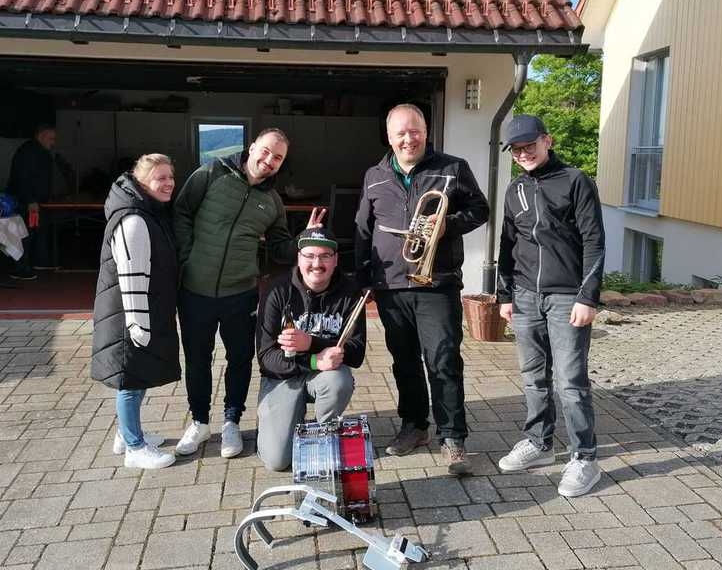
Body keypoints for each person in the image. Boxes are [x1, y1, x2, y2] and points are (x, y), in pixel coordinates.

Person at [172, 128, 324, 459]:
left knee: (239, 358)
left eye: (278, 158)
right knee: (197, 359)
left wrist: (305, 237)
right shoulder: (211, 174)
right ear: (252, 147)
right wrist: (187, 257)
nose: (269, 160)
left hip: (240, 293)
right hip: (195, 289)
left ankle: (231, 421)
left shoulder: (272, 201)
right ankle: (199, 422)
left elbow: (280, 249)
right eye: (266, 151)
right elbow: (181, 212)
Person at [355, 104, 489, 475]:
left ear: (426, 132)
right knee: (405, 361)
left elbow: (480, 209)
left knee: (443, 360)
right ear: (389, 136)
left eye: (414, 131)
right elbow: (363, 229)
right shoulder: (374, 175)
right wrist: (362, 278)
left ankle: (453, 437)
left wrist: (448, 225)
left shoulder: (453, 167)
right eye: (400, 132)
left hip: (437, 282)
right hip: (391, 285)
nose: (408, 139)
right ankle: (414, 427)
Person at [495, 114, 606, 497]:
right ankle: (539, 443)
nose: (523, 154)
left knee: (571, 382)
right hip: (525, 296)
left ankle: (585, 458)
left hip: (566, 298)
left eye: (529, 145)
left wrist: (587, 297)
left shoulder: (576, 182)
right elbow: (507, 244)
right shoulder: (515, 189)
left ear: (547, 140)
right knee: (532, 377)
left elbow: (594, 241)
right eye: (516, 150)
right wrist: (505, 295)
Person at [91, 154, 181, 470]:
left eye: (170, 176)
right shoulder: (134, 220)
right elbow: (132, 274)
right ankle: (134, 447)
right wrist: (138, 323)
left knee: (137, 376)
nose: (168, 183)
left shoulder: (146, 211)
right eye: (160, 178)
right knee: (130, 381)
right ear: (142, 182)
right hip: (128, 317)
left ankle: (126, 433)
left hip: (140, 312)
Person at [255, 226, 366, 471]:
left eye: (325, 256)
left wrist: (312, 343)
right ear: (299, 258)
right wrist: (314, 360)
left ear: (335, 260)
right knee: (277, 461)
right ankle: (277, 424)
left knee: (339, 381)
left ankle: (321, 434)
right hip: (283, 376)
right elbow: (265, 357)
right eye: (310, 256)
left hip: (323, 376)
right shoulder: (277, 289)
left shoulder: (350, 292)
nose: (317, 264)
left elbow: (357, 352)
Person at [6, 124, 56, 279]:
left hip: (35, 202)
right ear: (41, 136)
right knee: (25, 235)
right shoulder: (29, 152)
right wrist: (30, 200)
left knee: (34, 232)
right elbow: (23, 178)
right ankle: (20, 269)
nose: (53, 142)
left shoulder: (37, 151)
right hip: (27, 203)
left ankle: (34, 262)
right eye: (51, 138)